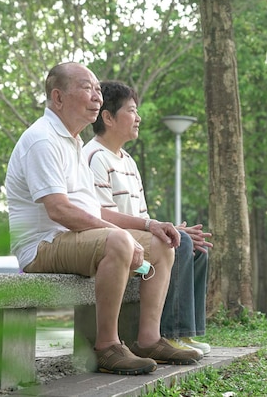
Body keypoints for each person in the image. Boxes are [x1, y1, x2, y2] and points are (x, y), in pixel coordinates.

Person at [4, 62, 202, 376]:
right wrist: (119, 235)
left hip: (75, 238)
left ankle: (149, 339)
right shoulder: (43, 139)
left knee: (162, 244)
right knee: (118, 241)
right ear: (58, 97)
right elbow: (60, 211)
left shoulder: (74, 141)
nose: (97, 96)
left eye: (98, 89)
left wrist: (150, 226)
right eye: (87, 88)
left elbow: (94, 211)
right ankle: (107, 347)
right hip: (43, 246)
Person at [83, 80, 212, 356]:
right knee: (179, 244)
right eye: (131, 110)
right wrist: (156, 229)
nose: (138, 117)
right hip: (111, 243)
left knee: (193, 246)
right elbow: (102, 216)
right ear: (108, 117)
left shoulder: (127, 160)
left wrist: (171, 229)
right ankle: (168, 334)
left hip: (134, 238)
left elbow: (141, 217)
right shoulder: (95, 157)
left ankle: (185, 333)